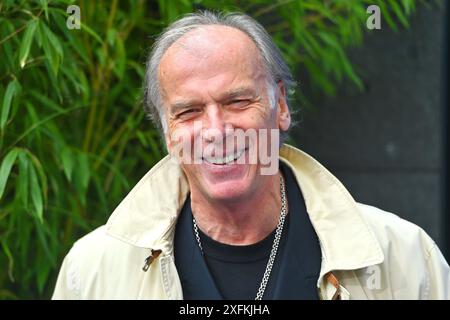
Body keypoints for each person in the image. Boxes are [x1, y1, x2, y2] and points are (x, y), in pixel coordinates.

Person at [52, 11, 450, 300]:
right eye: (188, 112)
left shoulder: (403, 256)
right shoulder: (93, 270)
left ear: (280, 108)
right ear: (167, 132)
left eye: (238, 101)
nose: (217, 131)